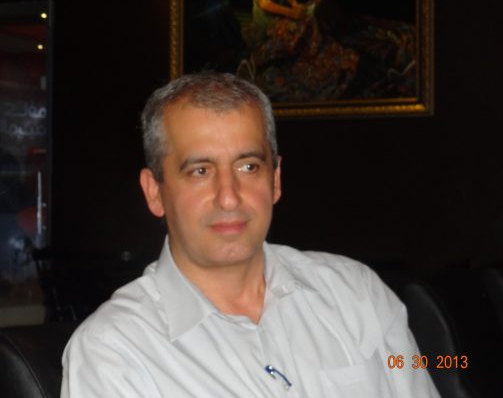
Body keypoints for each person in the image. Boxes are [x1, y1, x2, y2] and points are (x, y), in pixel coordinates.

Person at [61, 72, 439, 397]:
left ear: (275, 180)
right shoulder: (114, 352)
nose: (228, 197)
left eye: (248, 166)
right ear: (154, 192)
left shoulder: (356, 296)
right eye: (200, 171)